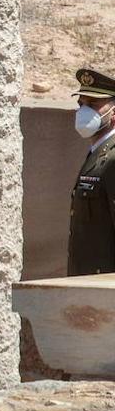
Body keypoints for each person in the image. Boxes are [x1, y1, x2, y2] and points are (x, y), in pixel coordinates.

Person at [68, 68, 115, 275]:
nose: (84, 111)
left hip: (104, 284)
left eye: (93, 105)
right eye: (81, 104)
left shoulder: (112, 159)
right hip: (86, 282)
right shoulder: (98, 154)